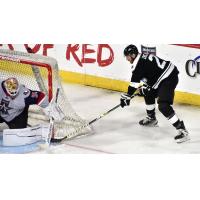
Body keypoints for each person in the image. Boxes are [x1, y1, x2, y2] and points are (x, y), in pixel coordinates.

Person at [120, 44, 190, 143]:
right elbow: (152, 74)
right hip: (164, 76)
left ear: (133, 55)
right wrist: (145, 88)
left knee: (163, 105)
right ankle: (151, 118)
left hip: (168, 78)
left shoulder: (138, 64)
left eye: (127, 56)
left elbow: (133, 85)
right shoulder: (142, 58)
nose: (127, 59)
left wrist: (127, 96)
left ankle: (183, 131)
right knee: (147, 91)